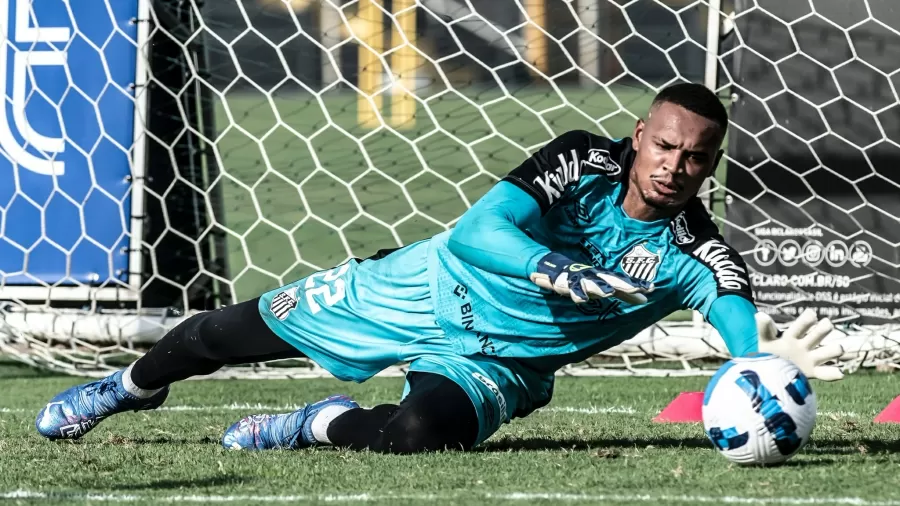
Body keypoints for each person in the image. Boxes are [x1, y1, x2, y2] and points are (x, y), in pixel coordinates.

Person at [35, 83, 842, 453]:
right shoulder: (580, 161)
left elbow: (730, 305)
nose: (675, 165)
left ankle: (313, 423)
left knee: (419, 435)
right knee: (216, 333)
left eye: (696, 158)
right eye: (665, 146)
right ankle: (125, 391)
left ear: (712, 166)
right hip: (418, 288)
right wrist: (552, 269)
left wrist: (756, 363)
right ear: (639, 136)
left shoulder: (695, 251)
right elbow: (476, 234)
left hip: (501, 361)